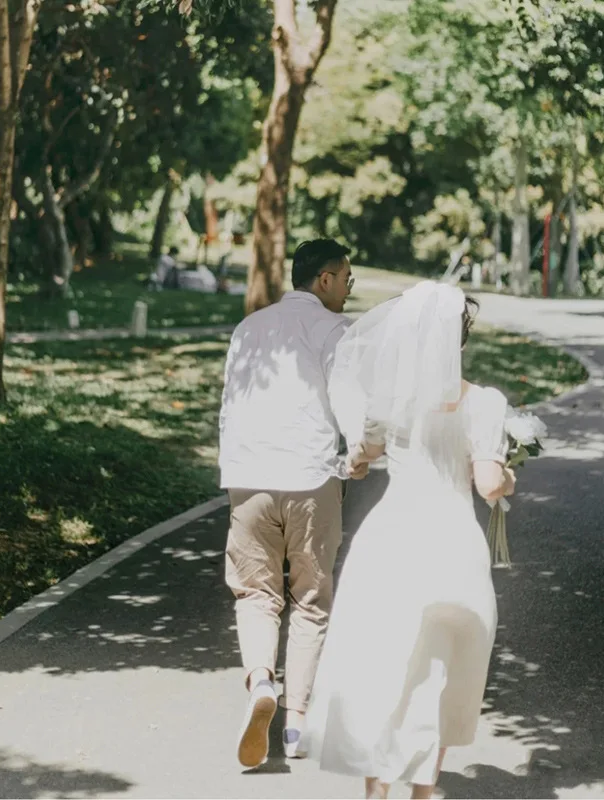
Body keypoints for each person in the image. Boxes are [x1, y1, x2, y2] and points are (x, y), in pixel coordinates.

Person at [301, 282, 517, 800]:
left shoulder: (389, 403)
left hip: (391, 541)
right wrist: (507, 477)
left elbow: (360, 460)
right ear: (459, 340)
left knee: (384, 665)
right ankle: (422, 794)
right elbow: (489, 485)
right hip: (451, 546)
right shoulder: (484, 404)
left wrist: (355, 460)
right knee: (440, 670)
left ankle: (376, 792)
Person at [218, 238, 359, 769]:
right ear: (323, 279)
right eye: (347, 278)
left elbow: (229, 406)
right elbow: (351, 407)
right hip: (309, 478)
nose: (349, 289)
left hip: (248, 477)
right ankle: (296, 722)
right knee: (310, 598)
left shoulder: (248, 328)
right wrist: (356, 458)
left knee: (254, 594)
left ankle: (260, 682)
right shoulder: (336, 330)